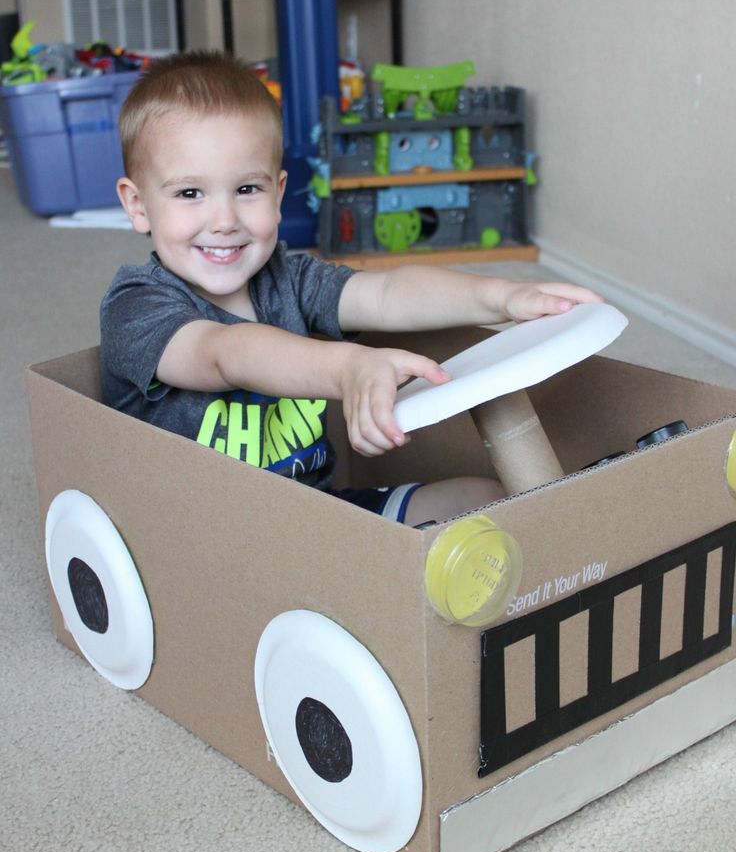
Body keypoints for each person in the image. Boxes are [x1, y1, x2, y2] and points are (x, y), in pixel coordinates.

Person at [101, 51, 602, 527]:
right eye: (190, 193)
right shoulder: (138, 305)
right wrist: (348, 368)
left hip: (324, 518)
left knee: (487, 498)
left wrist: (501, 298)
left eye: (246, 189)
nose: (225, 220)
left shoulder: (288, 281)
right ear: (138, 204)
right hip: (214, 534)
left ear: (278, 193)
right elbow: (222, 353)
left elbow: (386, 294)